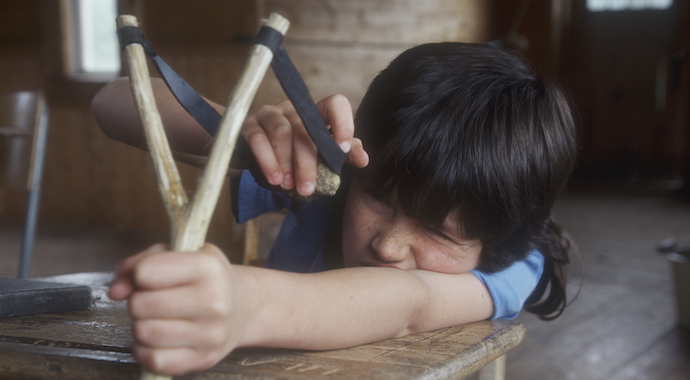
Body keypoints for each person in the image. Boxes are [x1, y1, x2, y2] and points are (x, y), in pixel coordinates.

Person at [92, 42, 578, 376]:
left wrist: (244, 304)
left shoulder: (514, 265)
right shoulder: (327, 190)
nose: (387, 244)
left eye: (438, 231)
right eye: (377, 197)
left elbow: (407, 303)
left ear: (498, 241)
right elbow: (112, 104)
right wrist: (243, 135)